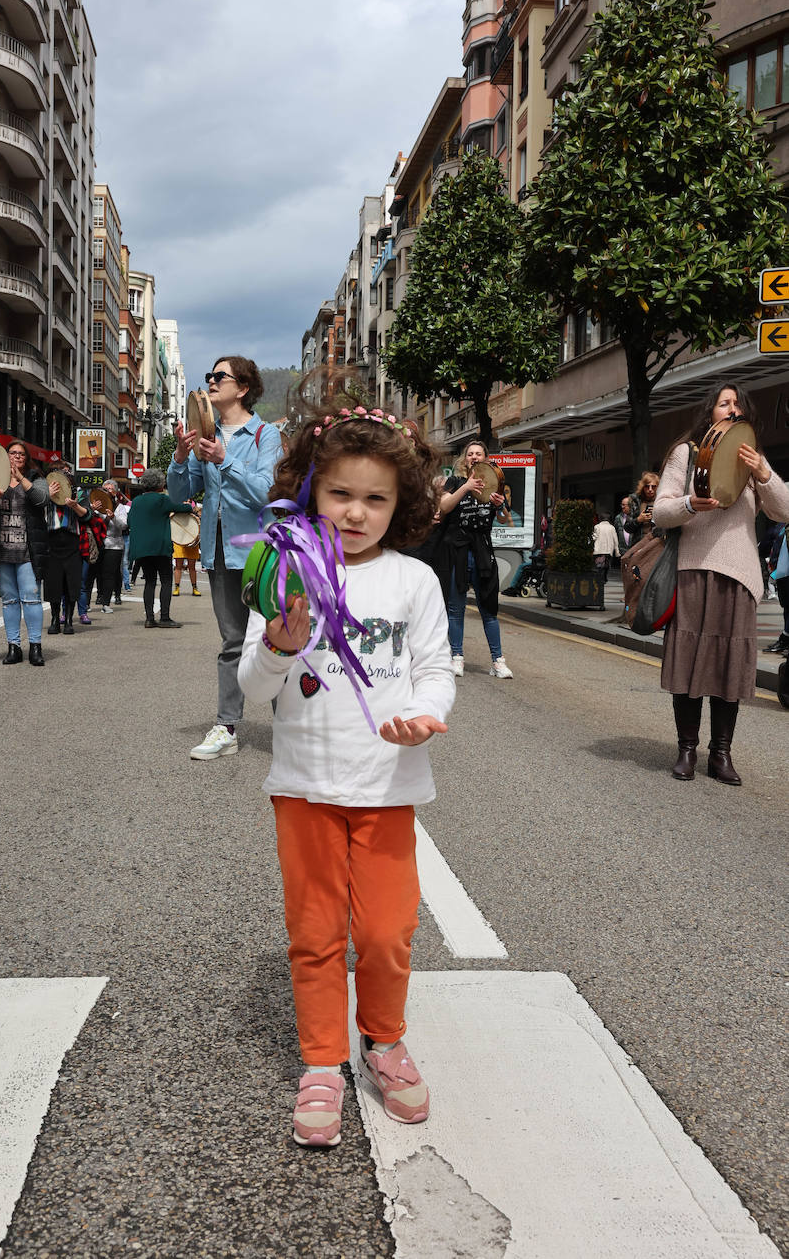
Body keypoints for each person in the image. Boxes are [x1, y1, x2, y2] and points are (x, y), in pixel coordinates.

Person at [237, 386, 454, 1149]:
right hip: (304, 787)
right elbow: (250, 689)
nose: (356, 513)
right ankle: (323, 1060)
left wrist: (427, 715)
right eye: (339, 495)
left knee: (390, 932)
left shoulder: (413, 582)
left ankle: (384, 1041)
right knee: (316, 931)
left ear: (403, 505)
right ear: (308, 491)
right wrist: (280, 646)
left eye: (375, 499)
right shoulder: (286, 570)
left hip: (391, 788)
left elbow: (435, 667)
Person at [654, 381, 789, 784]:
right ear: (709, 412)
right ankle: (687, 750)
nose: (731, 409)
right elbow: (661, 512)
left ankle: (721, 754)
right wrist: (689, 505)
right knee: (689, 663)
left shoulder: (752, 457)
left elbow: (783, 511)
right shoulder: (687, 452)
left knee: (730, 668)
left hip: (740, 576)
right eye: (723, 403)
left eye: (737, 404)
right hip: (693, 570)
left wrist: (763, 473)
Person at [168, 357, 284, 759]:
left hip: (258, 554)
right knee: (231, 642)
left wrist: (224, 459)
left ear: (243, 387)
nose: (212, 383)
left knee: (274, 641)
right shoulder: (205, 434)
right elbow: (179, 493)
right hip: (218, 552)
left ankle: (287, 729)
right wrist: (181, 459)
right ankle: (227, 727)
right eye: (209, 377)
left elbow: (266, 493)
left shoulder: (265, 435)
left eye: (221, 377)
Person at [438, 440, 512, 680]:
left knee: (488, 608)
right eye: (470, 454)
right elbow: (444, 506)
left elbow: (502, 519)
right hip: (457, 551)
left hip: (482, 550)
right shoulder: (456, 481)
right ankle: (456, 656)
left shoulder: (495, 483)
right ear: (465, 459)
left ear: (486, 457)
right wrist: (467, 486)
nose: (474, 457)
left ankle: (498, 660)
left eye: (478, 453)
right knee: (455, 607)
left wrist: (500, 506)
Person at [0, 440, 50, 665]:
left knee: (31, 598)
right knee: (9, 601)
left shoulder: (36, 478)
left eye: (21, 454)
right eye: (12, 453)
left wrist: (20, 478)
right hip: (2, 549)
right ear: (5, 456)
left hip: (28, 550)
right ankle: (14, 646)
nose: (16, 457)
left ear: (26, 458)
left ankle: (36, 647)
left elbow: (42, 500)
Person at [127, 468, 189, 628]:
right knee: (166, 581)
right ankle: (165, 617)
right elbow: (183, 509)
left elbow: (129, 521)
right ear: (159, 484)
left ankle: (149, 618)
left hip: (142, 549)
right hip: (160, 547)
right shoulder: (162, 500)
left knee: (150, 582)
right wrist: (190, 506)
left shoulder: (136, 501)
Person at [44, 476, 90, 637]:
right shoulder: (44, 493)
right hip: (51, 542)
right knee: (53, 583)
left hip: (72, 542)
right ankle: (55, 619)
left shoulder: (78, 493)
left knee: (72, 583)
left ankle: (69, 619)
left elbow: (87, 516)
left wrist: (75, 505)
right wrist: (46, 495)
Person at [94, 481, 130, 610]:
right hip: (99, 544)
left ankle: (107, 601)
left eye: (110, 489)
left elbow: (124, 525)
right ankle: (100, 595)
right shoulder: (97, 507)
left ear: (115, 491)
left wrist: (113, 517)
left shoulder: (120, 507)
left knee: (111, 573)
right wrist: (93, 510)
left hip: (114, 545)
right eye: (105, 489)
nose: (107, 491)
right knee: (99, 573)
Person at [765, 525, 788, 653]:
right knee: (787, 608)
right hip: (782, 572)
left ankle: (785, 639)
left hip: (783, 572)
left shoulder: (779, 528)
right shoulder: (781, 528)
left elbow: (765, 545)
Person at [173, 501, 201, 596]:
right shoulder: (175, 515)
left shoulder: (195, 517)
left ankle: (194, 588)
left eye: (188, 502)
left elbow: (198, 531)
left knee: (192, 567)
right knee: (178, 566)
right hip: (179, 541)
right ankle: (176, 587)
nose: (186, 503)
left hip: (192, 544)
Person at [625, 472, 659, 543]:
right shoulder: (635, 501)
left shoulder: (662, 501)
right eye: (647, 486)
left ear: (658, 487)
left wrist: (657, 515)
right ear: (642, 487)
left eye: (653, 486)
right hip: (639, 543)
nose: (650, 489)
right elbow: (627, 528)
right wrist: (638, 520)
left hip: (657, 543)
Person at [592, 511, 619, 586]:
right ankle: (604, 577)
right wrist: (617, 551)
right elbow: (615, 540)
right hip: (608, 550)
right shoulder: (612, 528)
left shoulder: (597, 527)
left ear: (600, 519)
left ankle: (600, 577)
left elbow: (594, 537)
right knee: (606, 565)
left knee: (599, 565)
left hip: (598, 549)